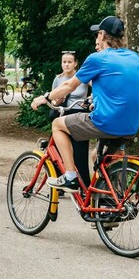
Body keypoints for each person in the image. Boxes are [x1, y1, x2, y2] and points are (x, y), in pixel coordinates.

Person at [31, 16, 139, 193]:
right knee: (98, 157)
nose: (96, 38)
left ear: (103, 35)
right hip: (131, 124)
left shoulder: (98, 58)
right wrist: (94, 102)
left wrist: (45, 97)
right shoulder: (134, 58)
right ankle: (110, 202)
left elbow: (69, 85)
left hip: (106, 121)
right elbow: (119, 90)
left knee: (57, 125)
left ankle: (70, 177)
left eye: (98, 34)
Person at [50, 51, 90, 186]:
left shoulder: (82, 77)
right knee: (59, 150)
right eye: (64, 62)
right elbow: (53, 99)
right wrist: (56, 102)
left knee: (80, 153)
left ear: (75, 64)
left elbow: (98, 88)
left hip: (78, 114)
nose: (66, 65)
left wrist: (91, 99)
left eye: (69, 62)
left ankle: (84, 185)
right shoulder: (58, 79)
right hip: (63, 114)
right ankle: (60, 183)